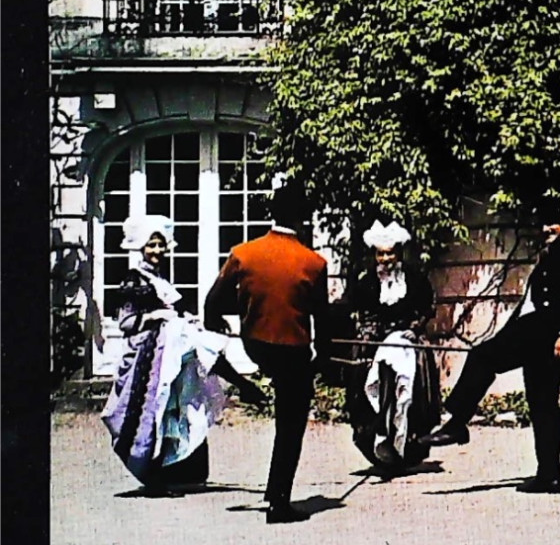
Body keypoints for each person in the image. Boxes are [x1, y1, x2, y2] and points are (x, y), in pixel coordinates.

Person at [422, 203, 560, 493]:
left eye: (553, 225)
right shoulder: (556, 251)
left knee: (483, 356)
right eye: (545, 225)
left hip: (548, 329)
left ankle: (457, 422)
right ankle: (549, 476)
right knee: (543, 404)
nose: (546, 230)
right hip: (544, 329)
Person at [101, 215, 266, 493]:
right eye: (151, 245)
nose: (156, 251)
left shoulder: (160, 279)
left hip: (168, 356)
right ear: (140, 247)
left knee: (173, 411)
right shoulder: (134, 280)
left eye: (160, 245)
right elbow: (126, 323)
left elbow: (174, 314)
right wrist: (156, 316)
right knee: (153, 414)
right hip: (148, 358)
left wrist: (182, 319)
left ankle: (171, 472)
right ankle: (152, 476)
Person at [203, 182, 328, 524]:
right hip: (292, 348)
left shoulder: (244, 253)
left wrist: (224, 325)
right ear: (303, 218)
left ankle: (251, 388)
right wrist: (323, 358)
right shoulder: (314, 262)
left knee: (283, 398)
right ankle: (278, 501)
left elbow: (213, 302)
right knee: (291, 423)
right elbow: (322, 317)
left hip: (255, 344)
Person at [344, 219, 441, 473]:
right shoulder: (366, 281)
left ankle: (406, 447)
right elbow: (358, 309)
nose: (385, 259)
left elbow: (428, 306)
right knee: (369, 388)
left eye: (390, 253)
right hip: (375, 342)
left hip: (407, 340)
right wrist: (368, 330)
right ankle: (378, 445)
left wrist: (416, 327)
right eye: (380, 254)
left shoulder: (415, 278)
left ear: (398, 253)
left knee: (409, 391)